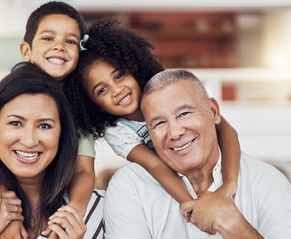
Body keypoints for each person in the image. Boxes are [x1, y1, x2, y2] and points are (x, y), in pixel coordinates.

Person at [0, 1, 96, 239]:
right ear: (26, 50)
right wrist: (8, 214)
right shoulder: (3, 85)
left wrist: (74, 214)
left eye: (70, 41)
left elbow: (83, 169)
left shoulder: (80, 104)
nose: (59, 45)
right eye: (48, 37)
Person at [104, 68, 291, 239]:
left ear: (213, 112)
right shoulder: (130, 187)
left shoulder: (268, 182)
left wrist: (231, 223)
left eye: (184, 113)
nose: (175, 132)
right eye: (159, 123)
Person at [64, 19, 240, 219]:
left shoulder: (167, 89)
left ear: (134, 68)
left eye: (119, 75)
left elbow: (226, 131)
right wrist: (190, 204)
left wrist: (229, 183)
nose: (117, 90)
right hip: (176, 188)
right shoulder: (118, 132)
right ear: (93, 104)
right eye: (102, 90)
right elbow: (156, 166)